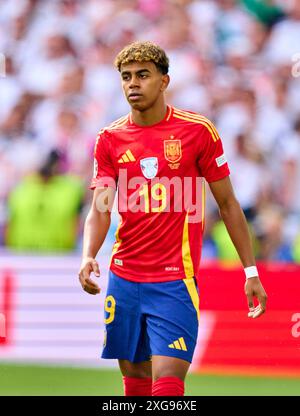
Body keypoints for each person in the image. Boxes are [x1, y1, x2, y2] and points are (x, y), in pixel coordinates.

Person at [78, 41, 267, 397]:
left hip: (174, 281)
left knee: (167, 384)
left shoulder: (198, 132)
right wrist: (89, 255)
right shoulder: (109, 138)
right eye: (126, 77)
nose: (133, 83)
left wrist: (251, 270)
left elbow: (227, 204)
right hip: (123, 277)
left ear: (164, 81)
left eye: (143, 75)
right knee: (134, 387)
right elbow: (101, 207)